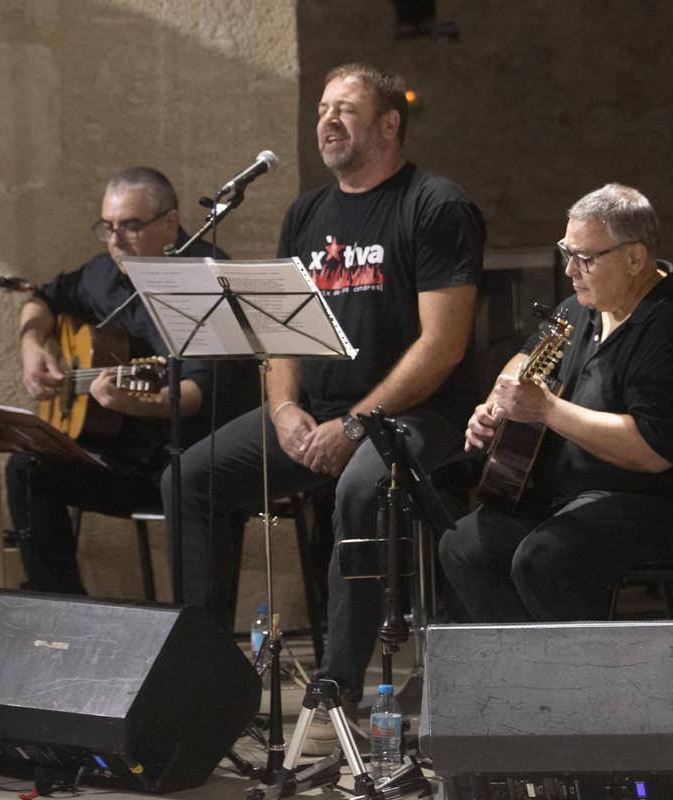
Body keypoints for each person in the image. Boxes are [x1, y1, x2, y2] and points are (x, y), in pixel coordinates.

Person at [162, 62, 486, 754]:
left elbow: (442, 347)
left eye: (345, 109)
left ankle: (338, 688)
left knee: (360, 489)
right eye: (321, 110)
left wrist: (355, 424)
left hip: (417, 417)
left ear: (389, 124)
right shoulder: (306, 214)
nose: (327, 121)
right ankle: (202, 677)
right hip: (318, 414)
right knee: (189, 478)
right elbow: (280, 337)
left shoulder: (435, 205)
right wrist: (284, 410)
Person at [439, 183, 673, 624]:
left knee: (546, 559)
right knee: (465, 545)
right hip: (582, 497)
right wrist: (499, 404)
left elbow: (651, 450)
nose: (570, 269)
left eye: (585, 258)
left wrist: (546, 409)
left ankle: (585, 668)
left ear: (635, 258)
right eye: (566, 252)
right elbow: (525, 359)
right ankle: (532, 664)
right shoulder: (579, 310)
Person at [7, 167, 228, 594]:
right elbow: (43, 298)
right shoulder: (103, 275)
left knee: (184, 480)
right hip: (123, 457)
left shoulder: (204, 279)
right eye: (107, 227)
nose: (115, 240)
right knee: (27, 468)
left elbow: (197, 393)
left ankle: (190, 627)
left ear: (170, 223)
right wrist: (31, 344)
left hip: (185, 460)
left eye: (130, 226)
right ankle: (61, 611)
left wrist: (136, 403)